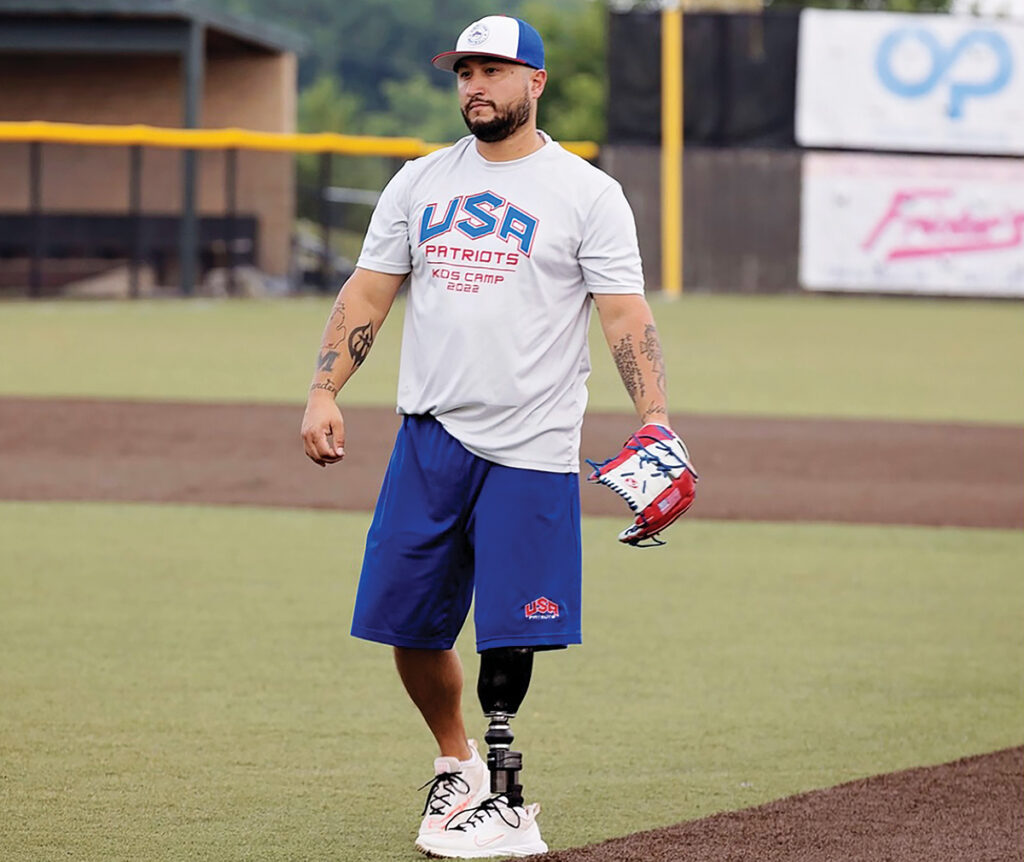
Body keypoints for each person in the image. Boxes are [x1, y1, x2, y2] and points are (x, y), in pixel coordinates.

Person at [300, 14, 675, 859]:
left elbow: (623, 312)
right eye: (464, 71)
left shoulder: (586, 193)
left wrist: (653, 416)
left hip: (533, 443)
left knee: (513, 622)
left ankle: (509, 800)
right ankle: (457, 760)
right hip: (430, 436)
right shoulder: (421, 181)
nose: (474, 84)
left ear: (534, 83)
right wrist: (325, 388)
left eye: (493, 70)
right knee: (408, 621)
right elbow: (367, 294)